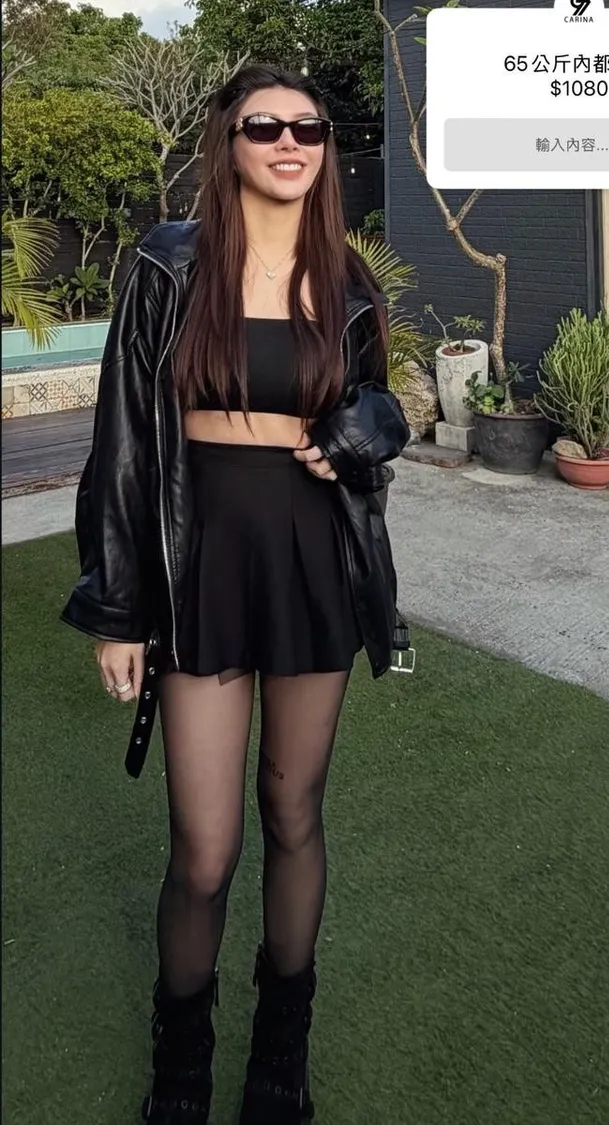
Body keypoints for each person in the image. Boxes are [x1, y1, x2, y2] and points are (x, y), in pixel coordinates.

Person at [61, 63, 412, 1125]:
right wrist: (118, 609)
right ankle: (182, 1060)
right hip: (197, 562)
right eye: (265, 126)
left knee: (293, 814)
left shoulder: (347, 280)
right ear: (230, 142)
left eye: (310, 128)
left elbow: (377, 408)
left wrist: (365, 430)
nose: (290, 142)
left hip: (312, 560)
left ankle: (281, 1050)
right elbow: (123, 442)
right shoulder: (168, 265)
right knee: (204, 849)